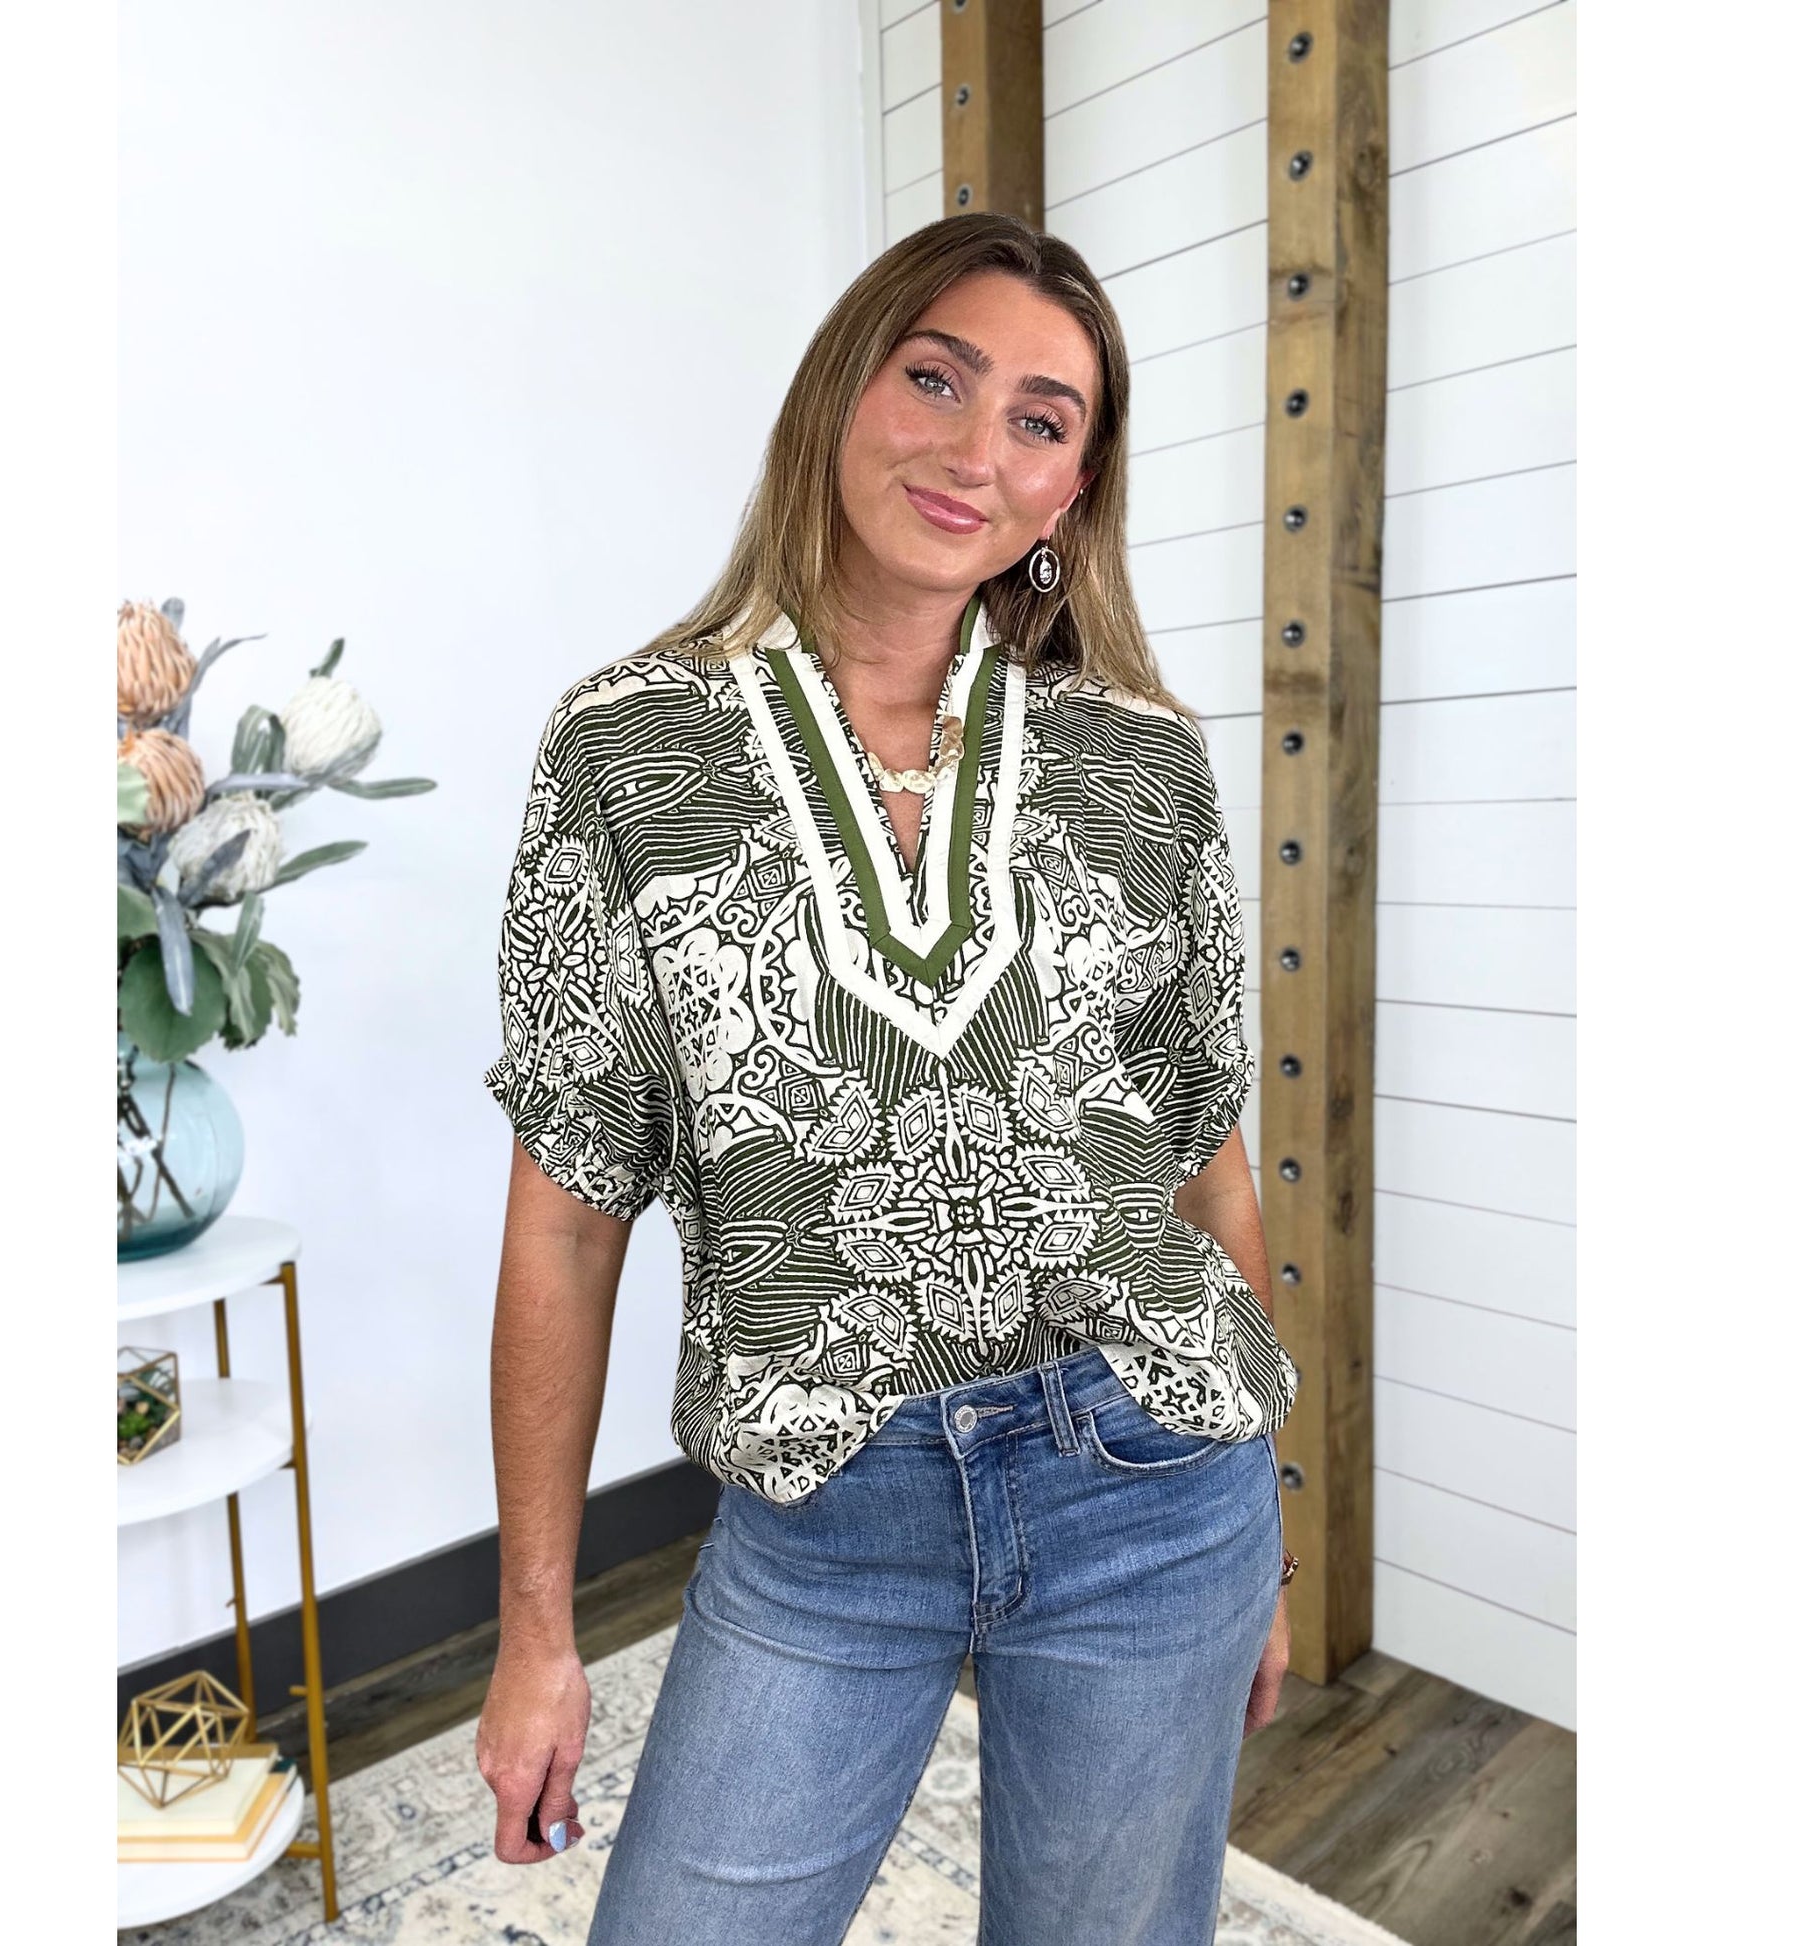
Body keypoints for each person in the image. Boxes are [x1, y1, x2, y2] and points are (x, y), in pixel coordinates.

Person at [476, 211, 1303, 1946]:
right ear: (842, 390)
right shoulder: (624, 751)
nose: (973, 447)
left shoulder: (1143, 763)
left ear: (1071, 489)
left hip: (1154, 1483)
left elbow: (1206, 1160)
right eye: (935, 377)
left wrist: (1266, 1554)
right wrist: (534, 1629)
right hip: (825, 1510)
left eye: (1040, 419)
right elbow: (563, 1221)